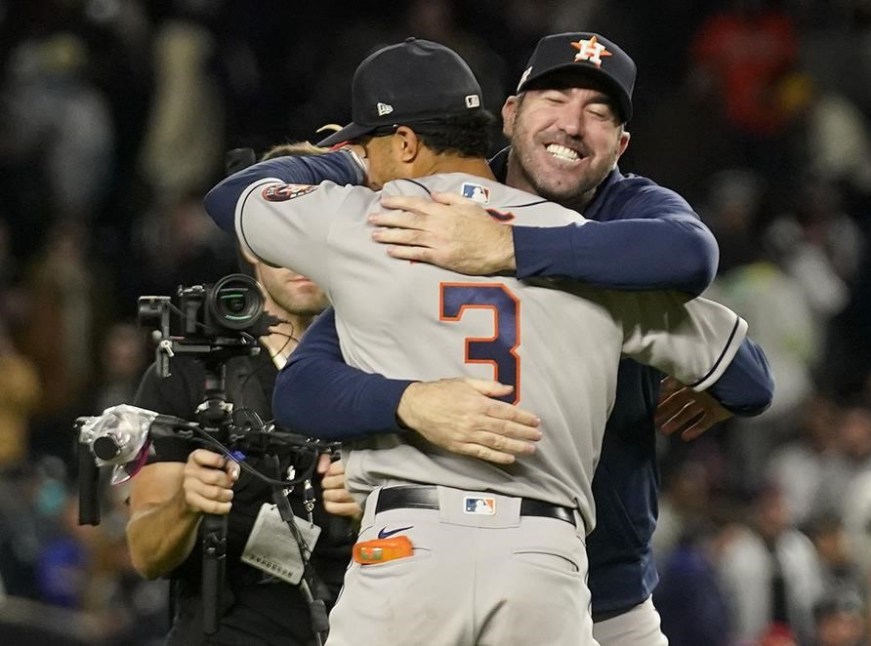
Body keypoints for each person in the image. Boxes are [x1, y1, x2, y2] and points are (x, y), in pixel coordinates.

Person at [203, 38, 764, 646]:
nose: (572, 124)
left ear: (404, 143)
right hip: (549, 560)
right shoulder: (605, 253)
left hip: (418, 551)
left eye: (598, 113)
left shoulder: (378, 223)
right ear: (505, 114)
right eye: (554, 98)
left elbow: (234, 197)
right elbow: (745, 372)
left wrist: (351, 164)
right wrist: (413, 400)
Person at [125, 144, 359, 646]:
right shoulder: (191, 369)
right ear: (251, 245)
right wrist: (186, 502)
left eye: (315, 234)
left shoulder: (386, 364)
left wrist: (379, 500)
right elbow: (145, 552)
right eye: (283, 233)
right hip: (225, 626)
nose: (300, 254)